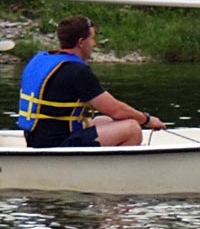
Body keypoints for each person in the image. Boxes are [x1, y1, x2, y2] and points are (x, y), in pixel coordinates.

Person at [18, 16, 166, 148]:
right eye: (92, 38)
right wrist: (147, 119)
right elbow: (116, 110)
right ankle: (106, 175)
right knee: (132, 128)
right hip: (55, 143)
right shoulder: (77, 71)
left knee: (105, 120)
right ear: (81, 42)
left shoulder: (42, 60)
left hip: (36, 137)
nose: (94, 44)